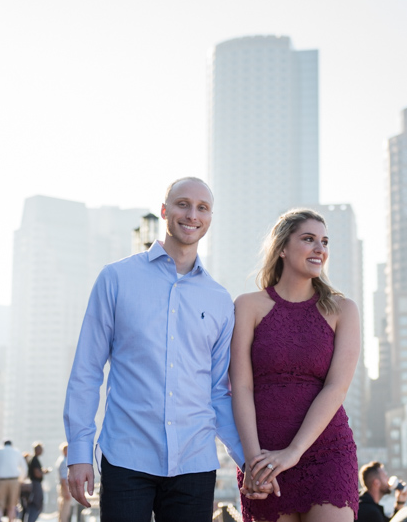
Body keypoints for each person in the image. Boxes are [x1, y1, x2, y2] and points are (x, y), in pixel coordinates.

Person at [64, 177, 269, 522]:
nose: (192, 214)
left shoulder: (219, 300)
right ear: (164, 211)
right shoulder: (116, 279)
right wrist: (79, 453)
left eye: (202, 208)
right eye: (182, 204)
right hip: (127, 457)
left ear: (209, 219)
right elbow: (86, 371)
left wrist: (247, 460)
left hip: (195, 462)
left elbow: (219, 392)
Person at [231, 209, 361, 522]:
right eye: (308, 239)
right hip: (263, 455)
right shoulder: (247, 306)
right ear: (283, 248)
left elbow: (336, 387)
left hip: (327, 451)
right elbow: (241, 387)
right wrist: (251, 460)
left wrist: (294, 452)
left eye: (324, 241)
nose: (320, 248)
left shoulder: (343, 309)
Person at [0, 440, 27, 522]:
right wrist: (21, 479)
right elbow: (24, 468)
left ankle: (0, 520)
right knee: (12, 505)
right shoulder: (17, 451)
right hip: (14, 481)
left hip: (0, 480)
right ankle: (10, 520)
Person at [26, 443, 50, 522]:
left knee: (36, 504)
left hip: (35, 484)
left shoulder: (34, 459)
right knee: (37, 504)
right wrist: (43, 472)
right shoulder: (34, 459)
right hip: (35, 484)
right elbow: (37, 473)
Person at [55, 443, 72, 522]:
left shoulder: (62, 460)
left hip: (64, 486)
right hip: (65, 487)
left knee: (63, 508)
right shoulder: (63, 462)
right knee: (65, 510)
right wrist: (67, 491)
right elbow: (63, 479)